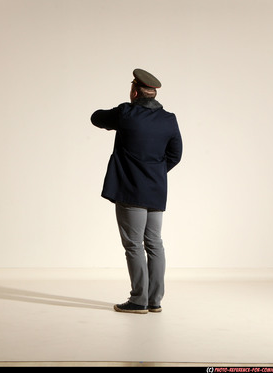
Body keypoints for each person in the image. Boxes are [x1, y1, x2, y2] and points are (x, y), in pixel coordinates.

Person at [91, 68, 183, 314]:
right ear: (153, 94)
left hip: (130, 189)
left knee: (134, 245)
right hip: (156, 190)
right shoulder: (169, 119)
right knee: (154, 243)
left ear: (135, 91)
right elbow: (175, 155)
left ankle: (138, 300)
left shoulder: (126, 113)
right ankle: (155, 301)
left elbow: (96, 118)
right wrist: (155, 172)